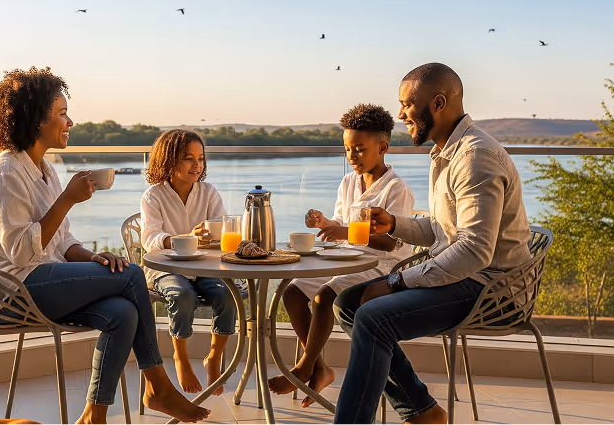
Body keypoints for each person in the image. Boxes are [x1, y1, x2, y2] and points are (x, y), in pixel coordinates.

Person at [0, 67, 210, 425]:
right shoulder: (5, 174)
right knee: (132, 275)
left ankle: (93, 417)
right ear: (36, 121)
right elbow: (19, 252)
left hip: (37, 283)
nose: (70, 121)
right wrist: (67, 199)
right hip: (5, 294)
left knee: (123, 313)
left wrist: (93, 258)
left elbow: (61, 241)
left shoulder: (45, 169)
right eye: (62, 114)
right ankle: (157, 384)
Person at [332, 63, 531, 425]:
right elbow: (445, 231)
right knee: (347, 303)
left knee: (373, 317)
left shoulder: (474, 157)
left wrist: (396, 281)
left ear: (438, 103)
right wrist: (395, 224)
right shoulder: (447, 153)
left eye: (407, 103)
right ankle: (422, 412)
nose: (400, 113)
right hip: (468, 277)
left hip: (492, 289)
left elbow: (474, 250)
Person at [268, 104, 414, 406]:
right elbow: (341, 223)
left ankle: (304, 366)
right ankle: (320, 368)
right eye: (347, 149)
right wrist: (326, 223)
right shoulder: (348, 183)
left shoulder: (396, 190)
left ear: (383, 147)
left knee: (324, 295)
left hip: (381, 268)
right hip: (348, 259)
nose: (352, 156)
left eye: (359, 149)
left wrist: (346, 232)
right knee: (293, 291)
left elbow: (390, 244)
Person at [140, 129, 236, 396]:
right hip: (166, 270)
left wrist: (215, 237)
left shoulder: (209, 192)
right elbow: (150, 238)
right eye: (188, 158)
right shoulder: (154, 196)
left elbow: (222, 230)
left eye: (201, 158)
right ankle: (180, 357)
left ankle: (214, 356)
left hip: (204, 267)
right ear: (169, 160)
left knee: (229, 294)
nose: (197, 165)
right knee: (182, 295)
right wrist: (182, 240)